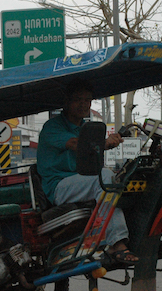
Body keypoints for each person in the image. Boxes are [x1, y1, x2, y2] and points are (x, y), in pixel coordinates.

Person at [37, 79, 139, 264]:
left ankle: (141, 239)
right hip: (59, 187)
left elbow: (93, 148)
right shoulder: (52, 127)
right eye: (78, 100)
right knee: (104, 178)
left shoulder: (86, 127)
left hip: (82, 182)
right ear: (66, 102)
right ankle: (116, 243)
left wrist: (107, 143)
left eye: (87, 100)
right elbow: (76, 144)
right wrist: (104, 143)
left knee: (123, 181)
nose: (83, 104)